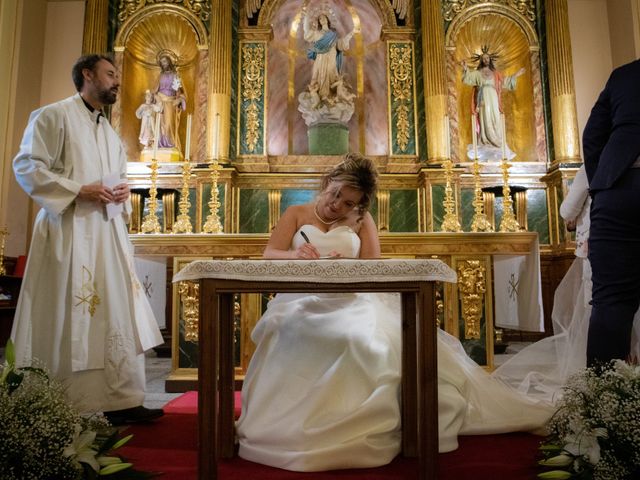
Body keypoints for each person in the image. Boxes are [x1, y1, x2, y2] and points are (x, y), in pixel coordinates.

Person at [235, 153, 553, 472]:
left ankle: (359, 425)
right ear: (327, 182)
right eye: (336, 194)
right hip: (299, 301)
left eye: (348, 203)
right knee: (291, 332)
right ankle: (288, 426)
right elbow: (269, 254)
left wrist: (342, 266)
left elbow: (373, 270)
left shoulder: (362, 221)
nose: (337, 205)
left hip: (350, 301)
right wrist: (296, 256)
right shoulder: (296, 213)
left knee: (361, 341)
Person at [11, 54, 164, 425]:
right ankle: (61, 398)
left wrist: (120, 193)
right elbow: (27, 166)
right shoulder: (53, 115)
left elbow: (109, 179)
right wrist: (79, 190)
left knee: (114, 311)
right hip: (69, 232)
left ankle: (121, 398)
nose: (116, 81)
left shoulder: (108, 132)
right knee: (70, 312)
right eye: (110, 74)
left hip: (105, 232)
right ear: (87, 74)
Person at [493, 164, 640, 396]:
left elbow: (567, 210)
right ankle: (631, 371)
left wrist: (576, 213)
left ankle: (609, 378)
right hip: (628, 245)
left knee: (602, 311)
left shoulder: (595, 164)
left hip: (602, 245)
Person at [582, 59, 640, 366]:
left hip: (619, 192)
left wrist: (603, 184)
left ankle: (603, 406)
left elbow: (592, 136)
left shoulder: (624, 75)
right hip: (616, 192)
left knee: (611, 303)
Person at [462, 46, 524, 159]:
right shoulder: (478, 73)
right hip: (483, 98)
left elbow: (504, 82)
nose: (486, 60)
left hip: (493, 97)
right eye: (483, 58)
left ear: (490, 60)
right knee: (485, 119)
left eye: (487, 58)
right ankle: (485, 141)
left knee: (495, 118)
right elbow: (468, 78)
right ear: (481, 61)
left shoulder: (495, 73)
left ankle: (497, 141)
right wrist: (466, 69)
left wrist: (516, 75)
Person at [303, 9, 354, 103]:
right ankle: (320, 97)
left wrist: (349, 35)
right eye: (320, 19)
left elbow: (339, 45)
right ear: (318, 22)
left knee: (331, 74)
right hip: (320, 58)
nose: (322, 19)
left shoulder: (333, 35)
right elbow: (306, 34)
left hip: (331, 57)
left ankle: (330, 96)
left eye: (324, 17)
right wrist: (306, 19)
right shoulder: (316, 33)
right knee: (318, 75)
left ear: (327, 19)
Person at [154, 52, 186, 150]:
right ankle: (159, 145)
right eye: (161, 62)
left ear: (169, 61)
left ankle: (170, 144)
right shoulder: (160, 76)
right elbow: (154, 91)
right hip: (160, 103)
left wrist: (180, 99)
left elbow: (180, 92)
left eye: (165, 61)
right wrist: (157, 98)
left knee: (169, 125)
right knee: (159, 126)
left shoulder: (175, 75)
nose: (163, 63)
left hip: (171, 102)